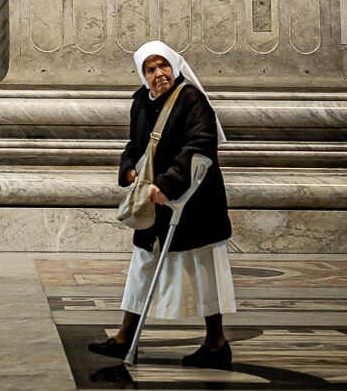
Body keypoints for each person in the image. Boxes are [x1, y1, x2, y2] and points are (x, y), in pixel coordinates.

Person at [88, 40, 236, 368]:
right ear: (143, 74)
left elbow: (200, 145)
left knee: (202, 269)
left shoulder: (191, 99)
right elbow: (136, 144)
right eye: (151, 69)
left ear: (174, 65)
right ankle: (125, 337)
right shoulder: (141, 101)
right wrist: (128, 168)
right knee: (142, 264)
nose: (159, 74)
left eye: (163, 66)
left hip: (194, 202)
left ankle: (216, 343)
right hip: (153, 202)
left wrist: (167, 184)